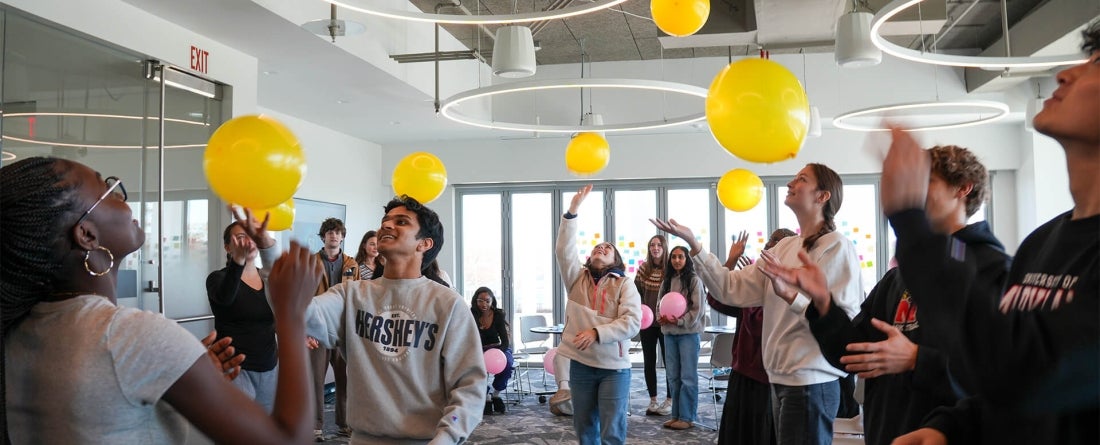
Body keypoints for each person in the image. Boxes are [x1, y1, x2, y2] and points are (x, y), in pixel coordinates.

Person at [1, 157, 320, 444]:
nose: (124, 199)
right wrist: (291, 317)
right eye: (108, 191)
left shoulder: (23, 328)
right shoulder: (129, 336)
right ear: (86, 235)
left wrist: (173, 367)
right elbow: (288, 439)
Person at [885, 22, 1099, 445]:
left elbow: (1030, 372)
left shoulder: (984, 254)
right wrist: (951, 428)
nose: (1064, 74)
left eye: (1096, 63)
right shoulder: (1043, 243)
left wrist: (910, 222)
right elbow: (1007, 386)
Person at [762, 146, 1006, 445]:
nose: (911, 194)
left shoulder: (991, 269)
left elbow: (1003, 376)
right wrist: (823, 303)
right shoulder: (897, 278)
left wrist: (917, 359)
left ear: (963, 189)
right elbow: (852, 354)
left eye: (926, 182)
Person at [653, 163, 864, 445]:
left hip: (811, 380)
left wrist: (794, 297)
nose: (790, 184)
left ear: (822, 196)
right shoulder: (784, 247)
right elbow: (729, 288)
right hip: (781, 378)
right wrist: (695, 245)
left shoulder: (836, 246)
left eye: (801, 179)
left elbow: (844, 321)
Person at [305, 195, 485, 444]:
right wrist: (268, 252)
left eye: (401, 222)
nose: (386, 225)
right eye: (385, 221)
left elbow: (470, 385)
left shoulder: (448, 304)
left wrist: (447, 436)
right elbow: (302, 315)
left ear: (424, 244)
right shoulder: (352, 295)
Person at [556, 185, 642, 445]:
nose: (600, 248)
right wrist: (572, 210)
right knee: (584, 428)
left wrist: (596, 332)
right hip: (581, 365)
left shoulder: (624, 284)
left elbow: (632, 322)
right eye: (597, 247)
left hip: (614, 369)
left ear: (616, 260)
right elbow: (563, 250)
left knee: (612, 430)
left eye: (607, 248)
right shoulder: (576, 278)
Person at [709, 228, 796, 445]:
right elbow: (716, 299)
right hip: (743, 372)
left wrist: (749, 291)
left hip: (769, 376)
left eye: (776, 241)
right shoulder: (755, 280)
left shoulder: (790, 288)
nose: (768, 244)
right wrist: (731, 261)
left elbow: (759, 325)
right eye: (770, 240)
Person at [206, 220, 284, 412]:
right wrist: (238, 262)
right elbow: (225, 297)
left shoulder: (266, 278)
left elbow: (280, 313)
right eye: (241, 238)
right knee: (236, 426)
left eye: (252, 237)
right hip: (235, 368)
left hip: (268, 366)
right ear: (227, 247)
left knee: (266, 425)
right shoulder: (217, 278)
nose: (248, 242)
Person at [309, 217, 358, 440]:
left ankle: (345, 423)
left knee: (345, 378)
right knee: (315, 379)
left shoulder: (352, 264)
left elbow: (358, 296)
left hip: (343, 328)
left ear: (342, 236)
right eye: (330, 232)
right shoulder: (310, 263)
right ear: (323, 236)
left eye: (338, 232)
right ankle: (316, 425)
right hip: (317, 328)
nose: (334, 236)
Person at [656, 245, 705, 430]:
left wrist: (680, 321)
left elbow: (697, 310)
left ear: (686, 259)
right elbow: (660, 304)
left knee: (688, 377)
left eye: (681, 257)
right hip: (669, 334)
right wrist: (660, 318)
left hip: (688, 335)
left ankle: (687, 417)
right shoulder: (667, 281)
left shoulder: (694, 280)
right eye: (674, 257)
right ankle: (675, 415)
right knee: (673, 377)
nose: (677, 260)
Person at [634, 234, 672, 416]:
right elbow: (636, 294)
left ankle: (670, 400)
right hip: (647, 323)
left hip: (666, 323)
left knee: (669, 363)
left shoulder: (671, 269)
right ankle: (653, 400)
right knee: (649, 362)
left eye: (659, 245)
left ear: (664, 248)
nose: (655, 248)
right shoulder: (643, 269)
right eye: (652, 245)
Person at [471, 287, 513, 415]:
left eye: (487, 301)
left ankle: (496, 394)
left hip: (498, 348)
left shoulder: (498, 315)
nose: (484, 304)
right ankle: (486, 394)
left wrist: (499, 353)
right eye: (480, 301)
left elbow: (505, 341)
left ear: (492, 301)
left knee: (508, 364)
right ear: (476, 301)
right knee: (474, 368)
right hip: (479, 349)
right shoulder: (471, 314)